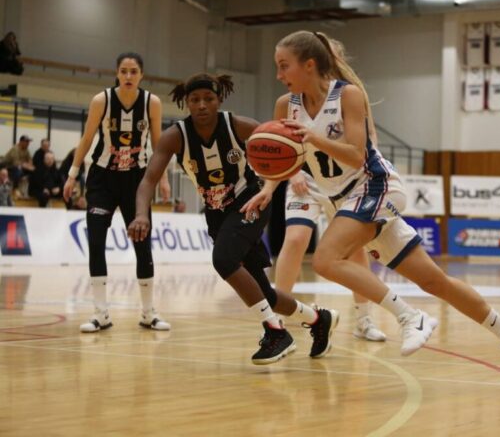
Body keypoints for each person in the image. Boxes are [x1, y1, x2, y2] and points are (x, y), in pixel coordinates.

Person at [247, 30, 500, 385]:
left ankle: (409, 316)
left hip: (375, 185)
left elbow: (357, 154)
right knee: (434, 281)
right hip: (343, 199)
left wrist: (315, 138)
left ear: (308, 65)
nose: (279, 75)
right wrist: (268, 188)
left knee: (324, 259)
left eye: (284, 66)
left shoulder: (348, 95)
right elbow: (286, 158)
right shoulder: (285, 105)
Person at [127, 73, 339, 365]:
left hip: (249, 200)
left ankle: (276, 332)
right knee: (263, 293)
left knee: (223, 260)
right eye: (195, 100)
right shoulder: (175, 136)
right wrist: (141, 214)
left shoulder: (238, 125)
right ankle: (318, 319)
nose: (202, 105)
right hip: (216, 213)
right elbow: (148, 180)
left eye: (208, 98)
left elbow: (282, 142)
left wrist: (294, 171)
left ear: (219, 100)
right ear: (187, 103)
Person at [275, 37, 386, 342]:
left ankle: (364, 318)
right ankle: (277, 316)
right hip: (307, 180)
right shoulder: (290, 101)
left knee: (353, 251)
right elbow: (280, 146)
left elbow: (366, 145)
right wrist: (293, 172)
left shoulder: (349, 95)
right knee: (295, 239)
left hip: (345, 183)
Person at [63, 52, 171, 334]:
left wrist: (163, 179)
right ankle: (100, 314)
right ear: (116, 73)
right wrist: (72, 175)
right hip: (103, 179)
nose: (128, 76)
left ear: (141, 75)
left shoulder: (152, 102)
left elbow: (159, 144)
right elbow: (87, 138)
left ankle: (148, 313)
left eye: (133, 71)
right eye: (123, 71)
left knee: (142, 245)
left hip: (137, 182)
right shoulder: (101, 100)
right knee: (96, 243)